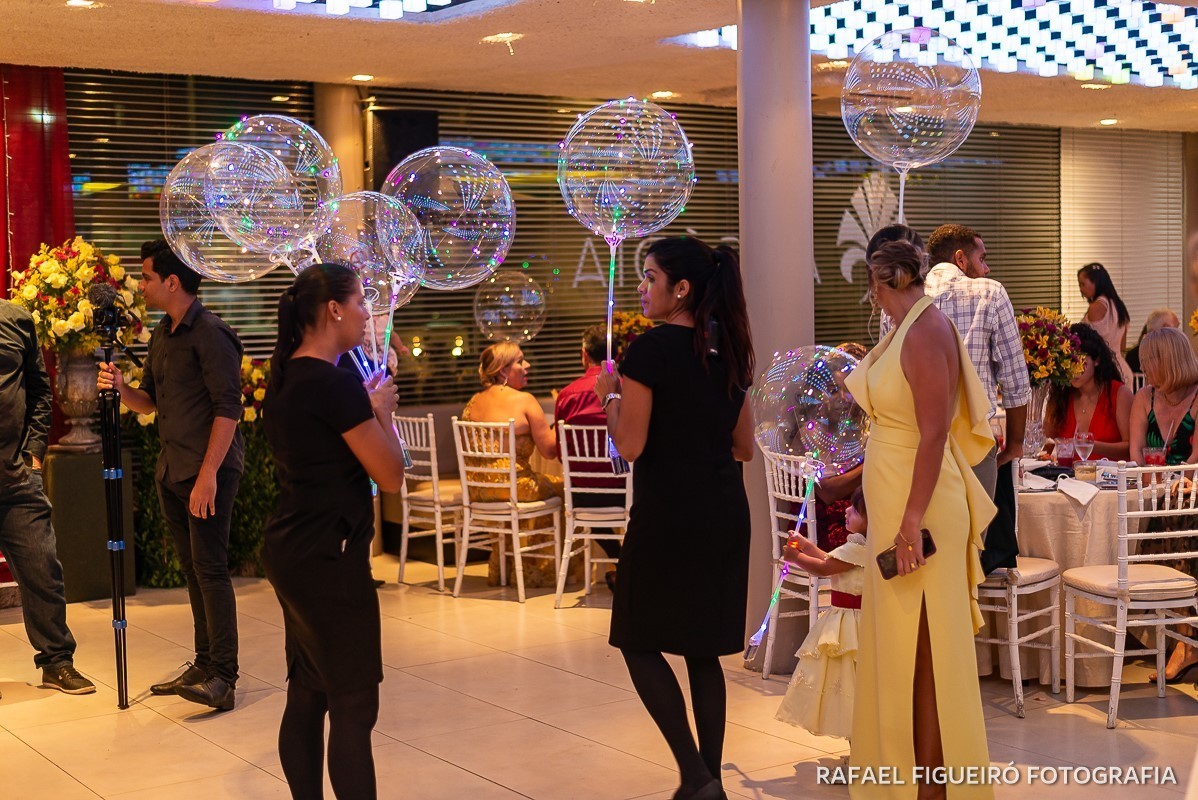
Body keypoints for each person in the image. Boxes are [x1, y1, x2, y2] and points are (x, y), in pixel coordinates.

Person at [596, 236, 755, 800]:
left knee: (637, 638)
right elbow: (744, 447)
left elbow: (632, 446)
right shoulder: (730, 350)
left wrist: (608, 399)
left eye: (650, 276)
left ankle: (693, 773)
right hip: (724, 513)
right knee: (702, 650)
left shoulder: (650, 352)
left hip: (668, 515)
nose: (641, 286)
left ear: (680, 288)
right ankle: (709, 780)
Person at [845, 240, 996, 800]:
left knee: (930, 649)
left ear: (882, 284)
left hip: (922, 507)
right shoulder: (902, 327)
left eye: (872, 289)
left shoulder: (926, 330)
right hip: (897, 500)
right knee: (901, 645)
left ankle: (935, 786)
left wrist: (910, 520)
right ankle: (904, 775)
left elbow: (934, 431)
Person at [261, 263, 406, 800]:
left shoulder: (287, 376)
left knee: (308, 690)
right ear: (333, 310)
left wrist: (365, 408)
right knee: (353, 702)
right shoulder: (335, 382)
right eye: (362, 300)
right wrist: (383, 414)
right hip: (330, 556)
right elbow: (388, 474)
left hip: (293, 548)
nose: (368, 313)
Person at [97, 240, 243, 710]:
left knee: (211, 570)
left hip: (207, 471)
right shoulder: (164, 334)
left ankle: (223, 676)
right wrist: (121, 389)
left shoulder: (212, 334)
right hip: (173, 468)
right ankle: (203, 662)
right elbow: (151, 401)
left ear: (172, 282)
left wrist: (208, 477)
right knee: (192, 570)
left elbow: (228, 411)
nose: (142, 286)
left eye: (146, 278)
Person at [0, 299, 95, 696]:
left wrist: (34, 454)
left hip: (16, 478)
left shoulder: (17, 319)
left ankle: (57, 662)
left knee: (43, 570)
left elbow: (40, 391)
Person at [925, 224, 1029, 575]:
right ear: (960, 258)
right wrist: (1015, 444)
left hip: (915, 443)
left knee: (925, 554)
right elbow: (1015, 380)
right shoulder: (990, 292)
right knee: (968, 553)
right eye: (981, 259)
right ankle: (965, 629)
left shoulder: (902, 297)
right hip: (971, 442)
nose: (986, 269)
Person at [1128, 326, 1198, 684]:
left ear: (1169, 362)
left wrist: (1178, 482)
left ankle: (1185, 640)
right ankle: (1177, 637)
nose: (1145, 370)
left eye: (1149, 362)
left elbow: (1197, 461)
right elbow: (1136, 456)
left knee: (1180, 514)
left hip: (1191, 493)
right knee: (1158, 514)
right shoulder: (1145, 398)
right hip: (1155, 494)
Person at [462, 342, 563, 587]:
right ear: (503, 371)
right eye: (519, 361)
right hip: (517, 487)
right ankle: (541, 570)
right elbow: (550, 451)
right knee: (566, 490)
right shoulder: (525, 401)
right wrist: (561, 422)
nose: (526, 365)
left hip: (479, 491)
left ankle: (504, 570)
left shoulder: (473, 402)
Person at [776, 487, 868, 745]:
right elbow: (831, 559)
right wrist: (806, 545)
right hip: (847, 620)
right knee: (850, 683)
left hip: (850, 623)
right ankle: (859, 749)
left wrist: (796, 557)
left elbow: (825, 568)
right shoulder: (858, 546)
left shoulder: (859, 549)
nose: (846, 511)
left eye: (855, 510)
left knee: (851, 684)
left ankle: (860, 751)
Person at [553, 323, 622, 589]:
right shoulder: (627, 389)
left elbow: (561, 454)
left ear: (584, 354)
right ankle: (627, 566)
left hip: (582, 491)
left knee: (591, 509)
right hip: (621, 488)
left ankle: (622, 565)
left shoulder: (567, 395)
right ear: (616, 357)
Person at [1043, 324, 1132, 461]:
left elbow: (1130, 448)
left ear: (1097, 360)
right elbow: (1047, 441)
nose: (1074, 369)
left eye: (1079, 361)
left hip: (1109, 477)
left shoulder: (1119, 394)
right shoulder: (1061, 396)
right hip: (1068, 478)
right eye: (1068, 362)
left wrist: (1089, 446)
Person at [1078, 262, 1133, 386]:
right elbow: (1122, 347)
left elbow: (1093, 343)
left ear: (1095, 282)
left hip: (1104, 372)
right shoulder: (1119, 306)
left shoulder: (1097, 307)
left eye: (1083, 284)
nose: (1081, 289)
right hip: (1123, 370)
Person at [1126, 308, 1181, 375]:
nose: (1178, 333)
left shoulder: (1179, 352)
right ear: (1165, 329)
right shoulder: (1133, 357)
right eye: (1175, 329)